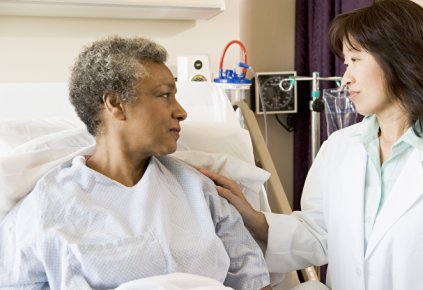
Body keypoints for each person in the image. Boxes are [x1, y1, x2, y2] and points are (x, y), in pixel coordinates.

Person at [200, 0, 423, 289]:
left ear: (401, 60)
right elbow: (318, 233)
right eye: (346, 62)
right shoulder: (339, 147)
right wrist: (254, 219)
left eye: (356, 60)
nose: (345, 77)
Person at [0, 36, 271, 290]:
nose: (181, 111)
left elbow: (255, 282)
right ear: (115, 104)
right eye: (165, 95)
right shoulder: (44, 209)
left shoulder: (200, 190)